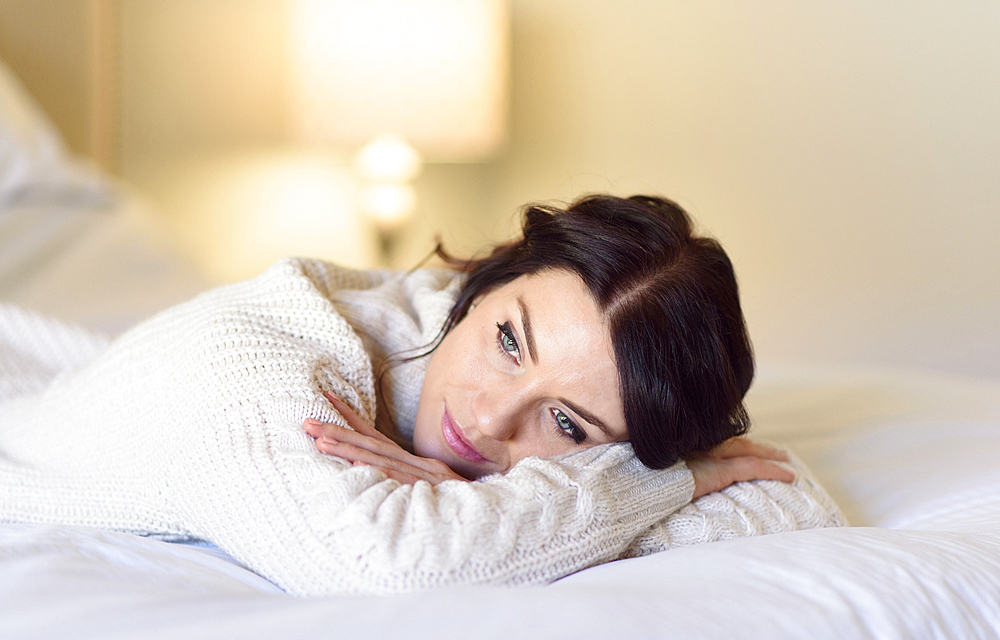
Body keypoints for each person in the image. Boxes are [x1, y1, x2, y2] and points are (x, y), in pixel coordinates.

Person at [0, 194, 845, 597]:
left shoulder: (604, 387)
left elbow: (788, 509)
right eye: (509, 340)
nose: (484, 419)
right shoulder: (258, 370)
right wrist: (659, 481)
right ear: (475, 289)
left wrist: (481, 499)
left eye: (566, 422)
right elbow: (384, 562)